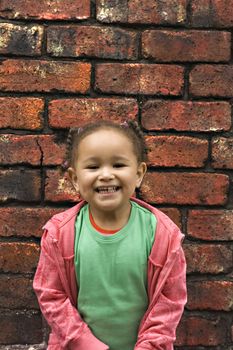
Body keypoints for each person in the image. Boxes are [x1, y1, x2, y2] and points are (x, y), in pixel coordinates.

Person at [33, 119, 187, 350]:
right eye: (93, 167)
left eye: (118, 165)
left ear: (139, 173)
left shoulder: (163, 236)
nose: (106, 175)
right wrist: (86, 344)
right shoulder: (59, 235)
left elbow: (170, 302)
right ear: (75, 179)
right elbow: (51, 295)